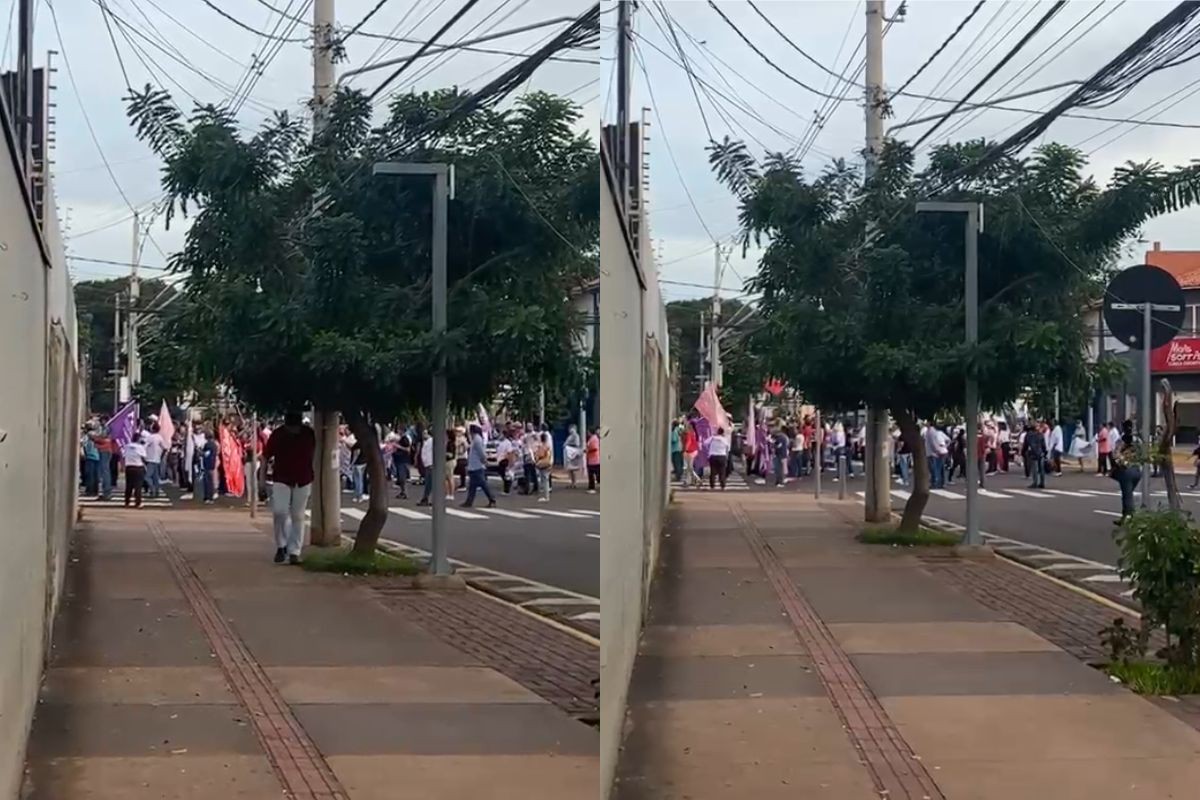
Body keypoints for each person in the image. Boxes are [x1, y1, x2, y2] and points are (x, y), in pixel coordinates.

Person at [263, 412, 317, 564]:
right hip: (282, 478)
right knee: (280, 512)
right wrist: (261, 480)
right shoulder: (278, 434)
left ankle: (294, 551)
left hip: (303, 479)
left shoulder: (308, 434)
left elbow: (314, 454)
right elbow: (266, 456)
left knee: (298, 516)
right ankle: (281, 545)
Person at [1111, 421, 1142, 525]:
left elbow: (1116, 455)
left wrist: (1122, 463)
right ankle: (1127, 516)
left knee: (1127, 495)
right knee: (1128, 494)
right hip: (1137, 470)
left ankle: (1129, 517)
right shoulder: (1138, 440)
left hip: (1126, 471)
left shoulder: (1121, 440)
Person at [462, 424, 497, 508]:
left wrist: (485, 461)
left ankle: (492, 499)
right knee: (472, 486)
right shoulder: (475, 439)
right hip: (474, 465)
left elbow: (481, 453)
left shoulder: (477, 439)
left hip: (477, 466)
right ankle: (469, 501)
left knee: (482, 484)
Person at [121, 434, 148, 508]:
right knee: (138, 486)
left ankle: (127, 502)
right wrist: (145, 465)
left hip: (129, 466)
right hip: (138, 467)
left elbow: (123, 456)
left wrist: (123, 466)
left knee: (128, 486)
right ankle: (138, 503)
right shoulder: (140, 447)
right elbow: (144, 457)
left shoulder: (127, 446)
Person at [1023, 422, 1048, 489]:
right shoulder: (1041, 435)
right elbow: (1044, 445)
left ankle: (1035, 482)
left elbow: (1025, 445)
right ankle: (1042, 483)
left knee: (1035, 469)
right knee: (1041, 469)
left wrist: (1023, 452)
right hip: (1040, 453)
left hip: (1033, 453)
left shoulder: (1028, 435)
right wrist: (1045, 453)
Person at [143, 424, 165, 498]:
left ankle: (152, 490)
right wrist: (161, 456)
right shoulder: (160, 437)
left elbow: (144, 446)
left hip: (150, 459)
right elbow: (165, 448)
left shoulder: (150, 437)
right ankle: (157, 491)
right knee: (155, 477)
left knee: (147, 477)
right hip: (157, 459)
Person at [535, 429, 554, 502]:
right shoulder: (548, 446)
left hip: (543, 463)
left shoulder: (542, 446)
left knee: (544, 480)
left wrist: (536, 458)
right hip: (548, 463)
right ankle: (546, 496)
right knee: (545, 479)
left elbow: (539, 455)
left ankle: (546, 497)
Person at [201, 428, 219, 504]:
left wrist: (200, 452)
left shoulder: (208, 444)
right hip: (212, 463)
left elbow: (205, 454)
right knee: (210, 481)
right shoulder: (215, 444)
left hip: (208, 464)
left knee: (208, 482)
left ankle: (208, 497)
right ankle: (209, 497)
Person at [565, 424, 585, 489]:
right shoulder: (570, 436)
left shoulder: (576, 436)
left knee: (573, 469)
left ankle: (574, 483)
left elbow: (577, 444)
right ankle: (572, 482)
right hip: (569, 454)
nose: (570, 429)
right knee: (570, 469)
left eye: (571, 428)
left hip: (573, 453)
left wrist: (568, 445)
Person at [392, 433, 411, 499]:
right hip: (399, 461)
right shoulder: (399, 440)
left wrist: (398, 446)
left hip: (402, 461)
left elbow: (408, 449)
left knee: (402, 477)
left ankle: (404, 492)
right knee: (400, 477)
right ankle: (403, 492)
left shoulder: (404, 439)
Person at [682, 421, 698, 487]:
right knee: (689, 467)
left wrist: (685, 450)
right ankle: (693, 479)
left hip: (689, 451)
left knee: (689, 467)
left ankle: (689, 480)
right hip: (694, 451)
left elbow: (688, 442)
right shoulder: (694, 433)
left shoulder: (689, 433)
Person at [586, 427, 601, 493]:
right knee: (592, 474)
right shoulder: (592, 438)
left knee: (595, 474)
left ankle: (592, 487)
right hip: (592, 459)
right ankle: (591, 487)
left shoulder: (594, 438)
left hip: (594, 459)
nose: (587, 433)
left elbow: (595, 448)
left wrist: (588, 450)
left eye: (588, 432)